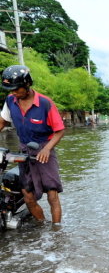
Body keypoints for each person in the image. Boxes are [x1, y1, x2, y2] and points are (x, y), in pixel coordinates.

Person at [0, 65, 65, 225]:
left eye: (16, 89)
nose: (14, 92)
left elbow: (60, 131)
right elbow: (2, 122)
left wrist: (47, 149)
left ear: (27, 84)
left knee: (52, 194)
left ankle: (57, 231)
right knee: (27, 195)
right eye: (11, 89)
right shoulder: (10, 101)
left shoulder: (45, 103)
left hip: (44, 148)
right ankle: (42, 225)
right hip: (24, 150)